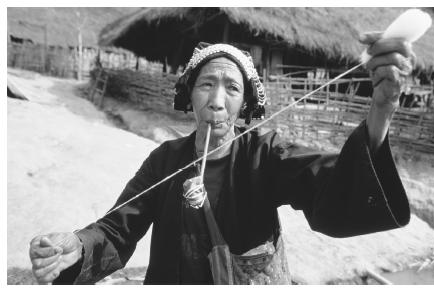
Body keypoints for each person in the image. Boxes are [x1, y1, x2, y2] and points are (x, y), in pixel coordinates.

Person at [29, 32, 414, 284]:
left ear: (246, 102)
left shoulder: (265, 153)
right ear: (190, 95)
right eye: (206, 84)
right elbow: (117, 230)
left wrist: (381, 110)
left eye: (231, 87)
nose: (216, 100)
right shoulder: (164, 161)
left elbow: (334, 186)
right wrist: (77, 246)